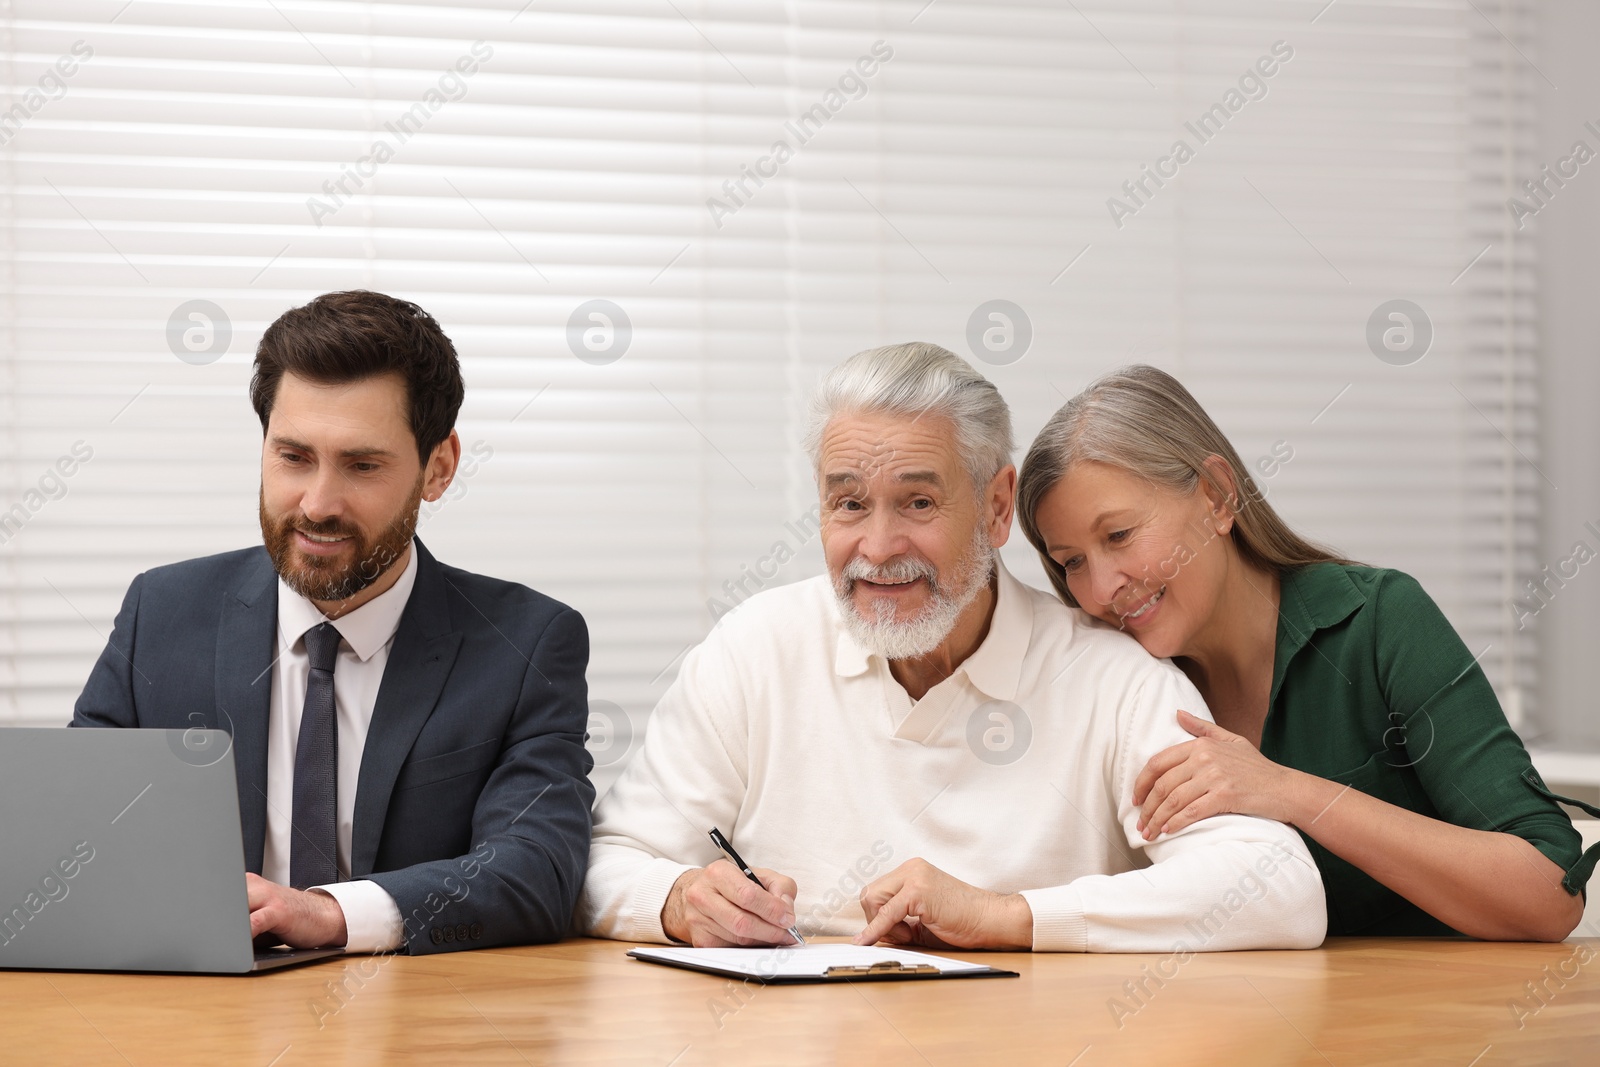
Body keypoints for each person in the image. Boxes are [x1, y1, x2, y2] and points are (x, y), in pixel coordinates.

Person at [580, 342, 1326, 952]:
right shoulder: (752, 650)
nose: (877, 547)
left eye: (918, 502)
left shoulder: (1111, 677)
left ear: (997, 507)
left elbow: (1276, 889)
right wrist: (679, 900)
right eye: (848, 503)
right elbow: (600, 864)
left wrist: (1007, 915)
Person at [73, 290, 594, 954]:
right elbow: (78, 839)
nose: (318, 504)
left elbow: (535, 870)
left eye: (362, 465)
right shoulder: (162, 612)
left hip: (407, 1029)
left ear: (438, 467)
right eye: (293, 457)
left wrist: (330, 913)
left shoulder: (525, 645)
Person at [1016, 364, 1596, 940]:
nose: (1099, 588)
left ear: (1218, 498)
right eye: (1072, 562)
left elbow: (1549, 893)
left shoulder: (1379, 623)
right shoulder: (1119, 685)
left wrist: (1289, 791)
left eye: (1118, 536)